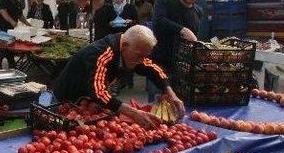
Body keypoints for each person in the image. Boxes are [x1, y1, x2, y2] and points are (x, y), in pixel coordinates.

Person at [52, 25, 185, 129]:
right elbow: (98, 91)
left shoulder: (133, 50)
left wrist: (170, 92)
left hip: (88, 105)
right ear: (125, 45)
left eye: (145, 56)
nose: (142, 60)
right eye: (139, 56)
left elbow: (153, 69)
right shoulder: (101, 53)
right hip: (66, 102)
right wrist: (132, 112)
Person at [149, 0, 204, 100]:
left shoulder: (198, 11)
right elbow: (158, 22)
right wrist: (182, 30)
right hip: (159, 67)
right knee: (158, 111)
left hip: (182, 72)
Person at [0, 0, 31, 69]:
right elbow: (3, 12)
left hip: (11, 30)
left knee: (10, 48)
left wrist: (28, 24)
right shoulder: (3, 1)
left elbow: (20, 16)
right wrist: (12, 21)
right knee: (1, 49)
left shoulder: (18, 3)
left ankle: (12, 65)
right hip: (1, 29)